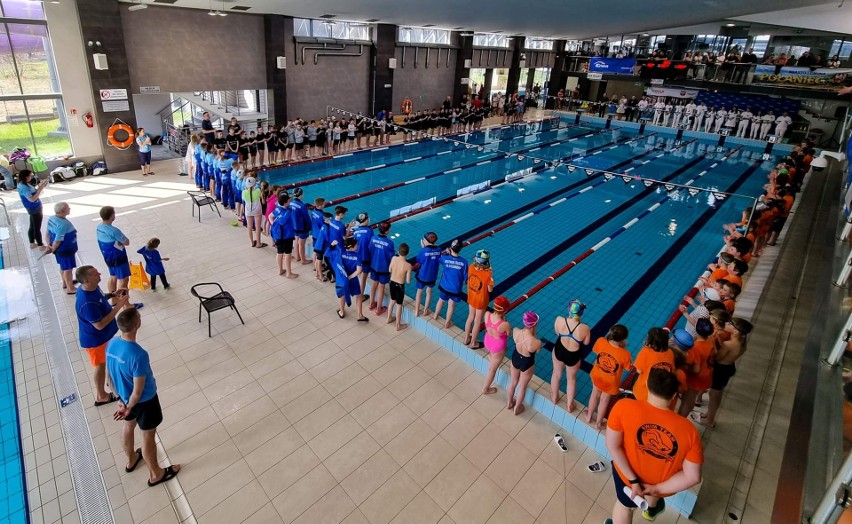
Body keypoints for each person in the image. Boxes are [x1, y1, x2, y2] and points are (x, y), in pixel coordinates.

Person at [605, 369, 703, 524]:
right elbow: (693, 477)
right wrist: (657, 489)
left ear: (646, 386)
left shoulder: (623, 407)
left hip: (628, 479)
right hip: (660, 485)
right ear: (673, 396)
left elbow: (613, 446)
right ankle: (651, 509)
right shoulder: (689, 430)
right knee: (651, 492)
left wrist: (634, 481)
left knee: (625, 508)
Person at [107, 308, 181, 487]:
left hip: (124, 399)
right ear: (137, 325)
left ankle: (131, 459)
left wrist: (120, 400)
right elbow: (138, 391)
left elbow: (109, 377)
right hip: (144, 402)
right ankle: (156, 474)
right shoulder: (138, 354)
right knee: (148, 437)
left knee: (128, 426)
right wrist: (129, 406)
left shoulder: (112, 344)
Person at [75, 265, 127, 406]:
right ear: (86, 280)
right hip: (95, 340)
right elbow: (99, 325)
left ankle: (111, 383)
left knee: (106, 361)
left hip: (104, 336)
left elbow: (100, 297)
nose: (99, 273)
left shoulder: (91, 287)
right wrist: (118, 305)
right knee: (100, 366)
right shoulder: (87, 302)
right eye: (94, 274)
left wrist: (112, 294)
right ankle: (101, 395)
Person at [695, 317, 753, 428]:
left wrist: (712, 342)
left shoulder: (729, 344)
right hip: (729, 367)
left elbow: (717, 357)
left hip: (720, 370)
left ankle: (709, 421)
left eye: (730, 324)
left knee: (713, 395)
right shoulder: (741, 342)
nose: (727, 323)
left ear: (735, 331)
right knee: (718, 392)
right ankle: (708, 415)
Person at [586, 324, 631, 430]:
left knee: (594, 394)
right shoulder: (625, 354)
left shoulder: (601, 341)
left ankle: (588, 417)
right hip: (610, 381)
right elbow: (628, 368)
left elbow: (596, 350)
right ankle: (598, 423)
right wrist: (622, 348)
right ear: (624, 339)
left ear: (611, 333)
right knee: (604, 400)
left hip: (597, 375)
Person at [96, 206, 142, 309]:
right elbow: (127, 242)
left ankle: (114, 299)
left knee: (113, 277)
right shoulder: (114, 230)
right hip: (118, 258)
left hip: (108, 257)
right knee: (124, 280)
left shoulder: (99, 227)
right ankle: (126, 305)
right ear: (112, 216)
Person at [550, 300, 591, 413]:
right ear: (581, 313)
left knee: (556, 373)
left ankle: (554, 398)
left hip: (560, 349)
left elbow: (557, 333)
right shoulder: (585, 328)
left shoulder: (559, 320)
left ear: (569, 309)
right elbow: (586, 343)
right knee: (571, 379)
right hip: (573, 355)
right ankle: (569, 405)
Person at [677, 318, 715, 417]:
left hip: (696, 379)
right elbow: (714, 354)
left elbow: (695, 369)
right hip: (707, 373)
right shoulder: (711, 340)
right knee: (691, 398)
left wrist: (682, 367)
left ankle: (680, 420)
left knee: (687, 401)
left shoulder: (696, 348)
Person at [507, 311, 541, 415]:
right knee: (522, 386)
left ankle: (509, 403)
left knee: (513, 382)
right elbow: (537, 351)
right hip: (527, 362)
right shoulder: (536, 342)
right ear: (535, 324)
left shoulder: (516, 331)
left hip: (515, 357)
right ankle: (517, 408)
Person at [326, 237, 368, 321]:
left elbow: (328, 254)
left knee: (342, 295)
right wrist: (349, 277)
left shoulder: (340, 253)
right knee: (359, 296)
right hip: (353, 280)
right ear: (351, 247)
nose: (358, 246)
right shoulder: (357, 256)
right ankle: (360, 315)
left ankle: (341, 312)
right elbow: (359, 271)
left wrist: (331, 245)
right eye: (356, 245)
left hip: (342, 279)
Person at [631, 327, 674, 402]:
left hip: (644, 391)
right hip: (660, 392)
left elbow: (639, 371)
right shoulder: (670, 352)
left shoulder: (645, 352)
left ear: (650, 342)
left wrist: (645, 347)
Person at [432, 239, 468, 329]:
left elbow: (438, 258)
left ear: (450, 248)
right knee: (451, 305)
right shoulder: (464, 262)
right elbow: (466, 278)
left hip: (444, 286)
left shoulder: (445, 259)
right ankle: (447, 323)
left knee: (441, 300)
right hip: (455, 289)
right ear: (460, 249)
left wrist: (446, 253)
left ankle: (435, 315)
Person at [463, 250, 494, 350]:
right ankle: (473, 343)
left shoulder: (471, 267)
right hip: (481, 300)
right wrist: (491, 276)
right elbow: (490, 289)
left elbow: (469, 280)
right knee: (477, 321)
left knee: (470, 317)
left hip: (471, 297)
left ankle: (466, 338)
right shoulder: (488, 274)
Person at [45, 202, 78, 293]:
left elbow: (47, 234)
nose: (70, 208)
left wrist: (49, 245)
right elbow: (57, 241)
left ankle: (65, 282)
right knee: (68, 269)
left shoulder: (51, 219)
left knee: (63, 266)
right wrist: (53, 248)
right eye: (68, 208)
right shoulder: (63, 225)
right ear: (63, 211)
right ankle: (70, 288)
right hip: (65, 250)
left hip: (59, 250)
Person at [481, 296, 511, 395]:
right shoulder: (505, 324)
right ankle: (485, 389)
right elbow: (508, 334)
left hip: (487, 341)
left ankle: (491, 356)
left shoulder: (487, 314)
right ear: (505, 310)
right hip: (497, 347)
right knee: (492, 370)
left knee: (492, 355)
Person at [368, 221, 395, 315]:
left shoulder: (373, 238)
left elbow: (370, 250)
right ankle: (379, 309)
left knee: (374, 284)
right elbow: (391, 257)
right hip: (383, 268)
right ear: (387, 231)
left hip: (374, 265)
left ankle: (371, 304)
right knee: (381, 287)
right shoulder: (389, 243)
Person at [16, 169, 47, 248]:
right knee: (37, 227)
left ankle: (32, 243)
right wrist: (40, 189)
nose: (32, 177)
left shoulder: (24, 184)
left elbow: (33, 193)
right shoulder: (23, 187)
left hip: (34, 207)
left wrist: (39, 187)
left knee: (33, 226)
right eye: (30, 175)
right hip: (34, 208)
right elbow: (32, 199)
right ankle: (40, 245)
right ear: (26, 177)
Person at [270, 192, 298, 278]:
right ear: (285, 203)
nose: (290, 202)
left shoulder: (278, 208)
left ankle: (280, 270)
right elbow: (282, 222)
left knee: (279, 253)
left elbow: (270, 216)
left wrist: (274, 226)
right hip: (286, 236)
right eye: (288, 201)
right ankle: (289, 273)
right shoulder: (287, 212)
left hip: (278, 235)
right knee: (288, 254)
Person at [414, 232, 441, 317]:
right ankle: (425, 310)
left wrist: (423, 247)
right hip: (432, 276)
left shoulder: (423, 250)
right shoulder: (439, 250)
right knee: (429, 292)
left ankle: (416, 311)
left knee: (419, 292)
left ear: (425, 240)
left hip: (422, 275)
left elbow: (419, 261)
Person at [386, 243, 412, 331]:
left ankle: (388, 318)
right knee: (399, 305)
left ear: (398, 251)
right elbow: (408, 281)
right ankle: (398, 325)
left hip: (392, 283)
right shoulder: (408, 265)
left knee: (392, 301)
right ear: (407, 253)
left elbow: (389, 270)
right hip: (400, 286)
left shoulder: (394, 258)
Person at [242, 176, 267, 249]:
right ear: (254, 185)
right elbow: (262, 199)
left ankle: (252, 242)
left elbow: (244, 200)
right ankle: (258, 243)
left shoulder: (244, 192)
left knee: (249, 227)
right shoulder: (258, 191)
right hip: (257, 211)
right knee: (257, 227)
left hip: (248, 211)